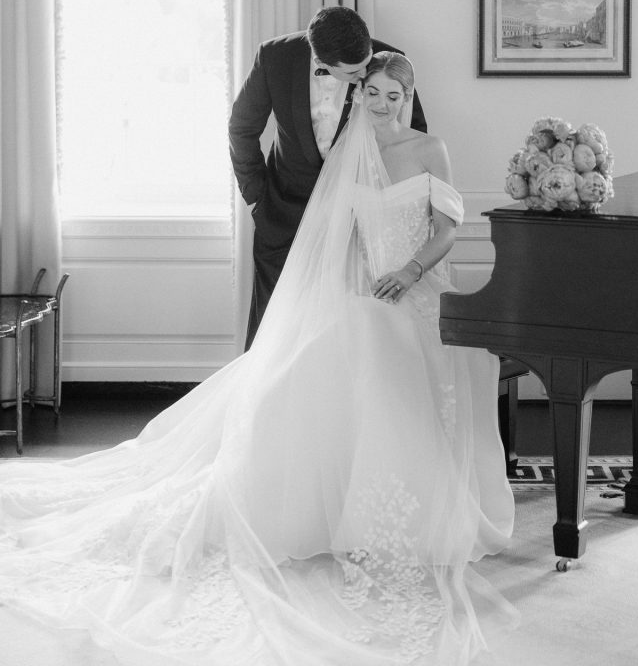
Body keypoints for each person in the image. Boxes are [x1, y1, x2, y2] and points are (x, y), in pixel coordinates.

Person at [0, 53, 518, 666]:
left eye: (393, 95)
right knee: (312, 368)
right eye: (373, 93)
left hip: (418, 287)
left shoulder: (430, 149)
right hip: (363, 293)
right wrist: (346, 293)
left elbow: (447, 230)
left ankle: (403, 510)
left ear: (409, 96)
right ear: (359, 95)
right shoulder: (347, 153)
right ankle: (310, 505)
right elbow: (341, 240)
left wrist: (407, 273)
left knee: (422, 359)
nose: (382, 105)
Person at [229, 5, 427, 349]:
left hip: (360, 225)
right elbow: (241, 128)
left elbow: (414, 135)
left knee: (347, 334)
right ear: (321, 60)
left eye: (366, 62)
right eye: (354, 71)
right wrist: (257, 197)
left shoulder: (387, 60)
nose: (365, 73)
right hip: (284, 215)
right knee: (272, 331)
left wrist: (389, 208)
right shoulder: (274, 57)